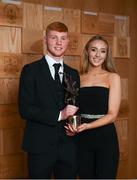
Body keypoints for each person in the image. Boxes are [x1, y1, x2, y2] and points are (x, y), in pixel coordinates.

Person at [18, 22, 80, 179]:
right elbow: (25, 109)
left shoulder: (73, 74)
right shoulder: (30, 71)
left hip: (68, 147)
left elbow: (75, 106)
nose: (59, 43)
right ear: (45, 39)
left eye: (63, 38)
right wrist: (59, 115)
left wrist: (74, 127)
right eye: (54, 37)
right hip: (40, 147)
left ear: (67, 41)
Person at [66, 35, 121, 179]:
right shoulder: (77, 77)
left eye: (103, 51)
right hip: (81, 139)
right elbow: (73, 107)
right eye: (94, 50)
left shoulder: (112, 77)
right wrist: (72, 127)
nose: (98, 55)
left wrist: (88, 126)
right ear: (87, 52)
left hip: (105, 138)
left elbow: (112, 114)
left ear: (107, 54)